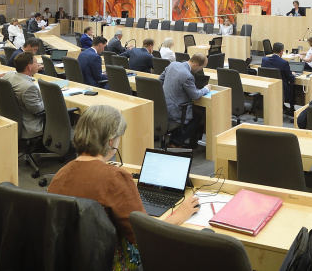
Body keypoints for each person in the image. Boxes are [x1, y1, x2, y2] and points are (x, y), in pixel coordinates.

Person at [48, 105, 199, 270]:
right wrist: (180, 214)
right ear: (111, 141)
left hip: (70, 262)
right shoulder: (115, 178)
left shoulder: (60, 174)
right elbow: (145, 237)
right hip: (111, 263)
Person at [159, 53, 209, 148]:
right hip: (174, 111)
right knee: (198, 117)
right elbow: (195, 95)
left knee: (193, 113)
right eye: (202, 67)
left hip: (163, 107)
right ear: (196, 65)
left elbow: (160, 80)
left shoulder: (172, 64)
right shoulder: (188, 76)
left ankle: (173, 140)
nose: (201, 70)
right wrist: (206, 89)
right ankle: (176, 142)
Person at [4, 52, 45, 138]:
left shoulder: (8, 75)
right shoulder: (29, 87)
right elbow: (36, 110)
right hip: (29, 124)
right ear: (29, 67)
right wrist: (49, 102)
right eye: (36, 62)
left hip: (10, 119)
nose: (38, 64)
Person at [261, 42, 297, 115]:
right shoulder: (284, 62)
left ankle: (283, 106)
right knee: (293, 85)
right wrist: (293, 74)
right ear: (281, 51)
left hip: (268, 84)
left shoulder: (264, 60)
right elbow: (291, 78)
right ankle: (292, 108)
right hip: (281, 88)